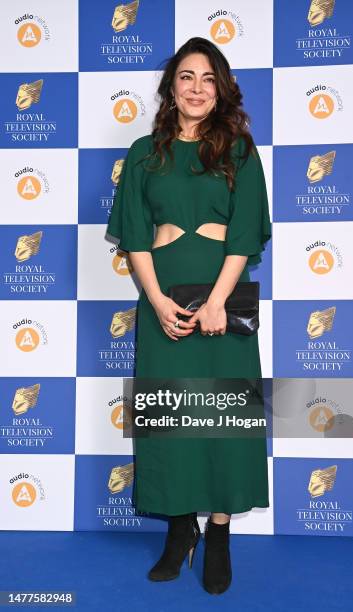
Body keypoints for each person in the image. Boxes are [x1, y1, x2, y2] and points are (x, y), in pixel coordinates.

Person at [106, 36, 272, 595]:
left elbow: (246, 235)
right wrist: (155, 300)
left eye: (207, 78)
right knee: (172, 422)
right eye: (186, 77)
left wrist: (220, 302)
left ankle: (219, 532)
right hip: (164, 301)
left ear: (219, 88)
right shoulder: (142, 153)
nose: (197, 88)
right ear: (171, 88)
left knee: (223, 419)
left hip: (225, 301)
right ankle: (181, 532)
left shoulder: (240, 150)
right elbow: (133, 235)